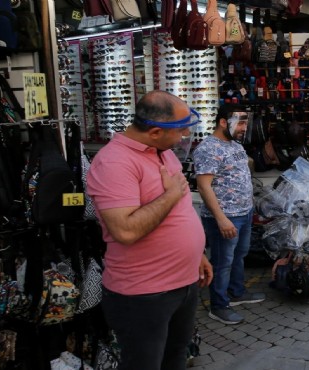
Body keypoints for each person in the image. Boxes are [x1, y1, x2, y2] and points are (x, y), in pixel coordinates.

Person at [87, 90, 213, 370]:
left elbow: (180, 211)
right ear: (155, 131)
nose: (183, 137)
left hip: (183, 283)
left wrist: (197, 255)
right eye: (180, 132)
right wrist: (168, 195)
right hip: (143, 294)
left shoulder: (163, 152)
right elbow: (126, 231)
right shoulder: (114, 163)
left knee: (176, 356)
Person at [194, 106, 265, 325]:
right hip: (225, 217)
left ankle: (237, 292)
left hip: (243, 212)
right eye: (241, 123)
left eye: (245, 122)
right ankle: (219, 305)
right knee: (222, 261)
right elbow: (204, 186)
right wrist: (221, 218)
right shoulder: (208, 148)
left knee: (239, 254)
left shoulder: (235, 145)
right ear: (223, 122)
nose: (244, 128)